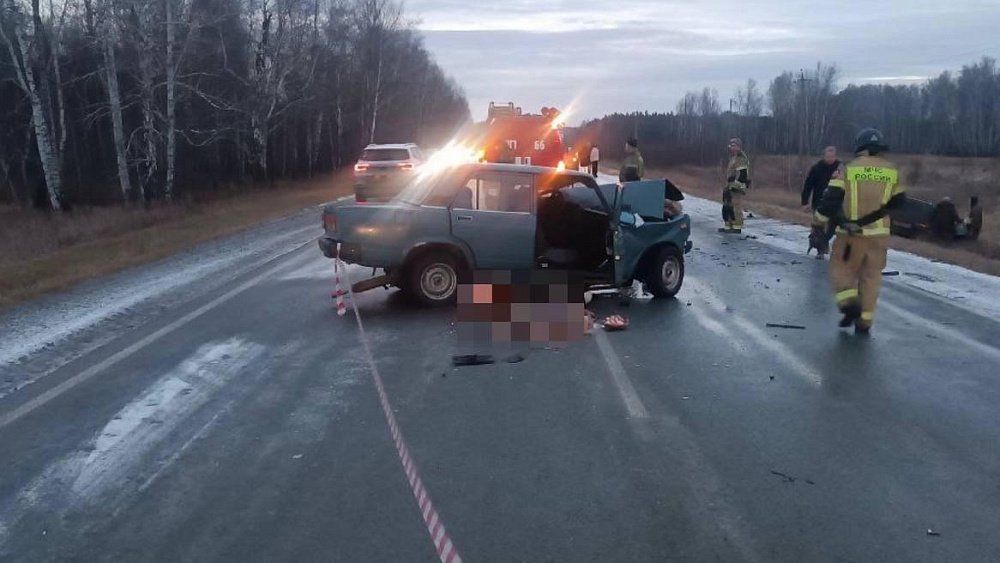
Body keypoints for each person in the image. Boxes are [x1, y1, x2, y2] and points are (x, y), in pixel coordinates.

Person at [814, 128, 907, 334]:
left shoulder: (848, 169)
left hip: (851, 236)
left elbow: (830, 200)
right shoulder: (893, 171)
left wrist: (819, 223)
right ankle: (864, 322)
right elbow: (899, 202)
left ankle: (850, 305)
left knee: (841, 273)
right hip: (879, 237)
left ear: (860, 146)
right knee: (871, 278)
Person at [803, 146, 840, 257]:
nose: (830, 159)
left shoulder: (841, 168)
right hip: (819, 202)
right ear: (824, 156)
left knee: (833, 227)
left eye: (832, 156)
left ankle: (828, 244)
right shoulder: (817, 168)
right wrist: (805, 201)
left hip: (836, 204)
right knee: (818, 228)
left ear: (835, 156)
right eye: (828, 156)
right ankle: (820, 250)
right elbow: (808, 185)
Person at [720, 138, 750, 233]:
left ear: (738, 147)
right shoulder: (733, 157)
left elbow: (742, 174)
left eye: (734, 146)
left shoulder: (741, 158)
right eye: (731, 146)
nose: (731, 148)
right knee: (727, 206)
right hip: (730, 185)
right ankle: (728, 226)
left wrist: (736, 185)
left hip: (737, 187)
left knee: (736, 207)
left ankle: (737, 227)